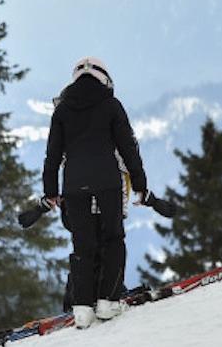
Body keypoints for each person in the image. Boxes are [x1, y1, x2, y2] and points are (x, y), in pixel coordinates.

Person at [43, 57, 150, 329]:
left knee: (82, 245)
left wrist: (50, 192)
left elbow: (52, 155)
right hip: (107, 183)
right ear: (104, 78)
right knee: (113, 238)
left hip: (74, 186)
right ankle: (108, 301)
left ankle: (81, 308)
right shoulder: (111, 105)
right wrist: (140, 185)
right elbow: (127, 147)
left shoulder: (62, 110)